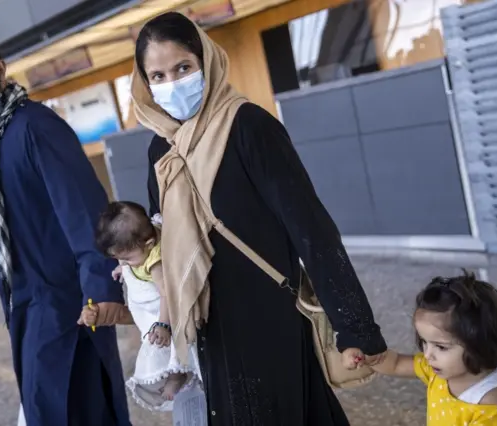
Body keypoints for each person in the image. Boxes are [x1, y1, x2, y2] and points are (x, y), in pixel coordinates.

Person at [130, 12, 387, 425]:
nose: (171, 84)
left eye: (182, 67)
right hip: (210, 326)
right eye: (157, 76)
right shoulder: (161, 152)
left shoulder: (248, 126)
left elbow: (311, 229)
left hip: (266, 312)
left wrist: (354, 326)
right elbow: (164, 237)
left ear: (205, 62)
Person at [0, 26, 131, 426]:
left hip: (68, 304)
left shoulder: (35, 126)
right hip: (27, 302)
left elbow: (83, 209)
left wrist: (100, 288)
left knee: (78, 407)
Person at [343, 272, 497, 425]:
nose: (427, 355)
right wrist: (367, 357)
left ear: (480, 342)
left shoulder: (492, 402)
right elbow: (394, 363)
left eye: (441, 347)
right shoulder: (438, 370)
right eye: (425, 342)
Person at [85, 201, 200, 410]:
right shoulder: (137, 247)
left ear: (148, 244)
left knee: (170, 345)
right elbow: (128, 259)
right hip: (144, 296)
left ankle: (177, 374)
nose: (125, 262)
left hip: (161, 310)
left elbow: (167, 296)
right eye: (119, 259)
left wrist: (163, 325)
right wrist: (124, 268)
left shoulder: (155, 263)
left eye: (127, 258)